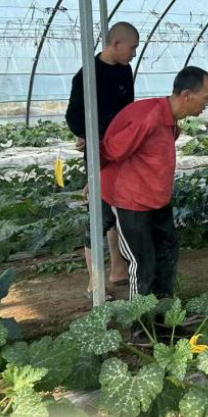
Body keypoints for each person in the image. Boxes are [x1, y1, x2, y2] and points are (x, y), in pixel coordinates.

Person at [100, 67, 208, 298]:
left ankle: (163, 312)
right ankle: (140, 318)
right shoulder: (148, 117)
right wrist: (93, 182)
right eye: (206, 97)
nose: (207, 104)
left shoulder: (169, 118)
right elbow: (109, 150)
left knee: (167, 252)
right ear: (187, 95)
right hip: (131, 201)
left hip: (157, 198)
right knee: (142, 263)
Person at [65, 21, 139, 297]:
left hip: (122, 150)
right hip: (99, 152)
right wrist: (88, 136)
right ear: (115, 44)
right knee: (98, 213)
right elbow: (73, 117)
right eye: (132, 48)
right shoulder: (88, 75)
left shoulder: (124, 70)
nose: (134, 53)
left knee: (117, 208)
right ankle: (94, 283)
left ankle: (117, 268)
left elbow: (128, 111)